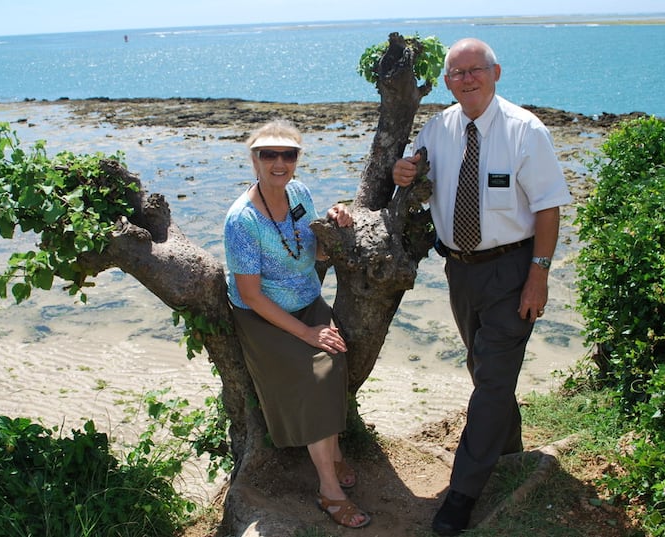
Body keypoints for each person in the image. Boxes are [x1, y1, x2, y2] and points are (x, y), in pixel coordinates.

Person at [392, 38, 572, 535]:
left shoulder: (524, 130)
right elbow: (414, 171)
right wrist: (402, 170)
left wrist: (540, 274)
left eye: (476, 70)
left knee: (491, 379)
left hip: (513, 269)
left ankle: (463, 493)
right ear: (447, 82)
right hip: (460, 271)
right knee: (483, 369)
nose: (467, 79)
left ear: (496, 73)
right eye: (458, 73)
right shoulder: (439, 128)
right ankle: (509, 453)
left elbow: (549, 207)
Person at [223, 119, 370, 529]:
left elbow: (314, 249)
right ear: (253, 158)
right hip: (264, 316)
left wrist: (336, 219)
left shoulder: (300, 193)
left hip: (307, 301)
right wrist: (306, 333)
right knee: (313, 380)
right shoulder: (242, 220)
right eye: (268, 154)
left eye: (288, 154)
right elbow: (251, 294)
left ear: (296, 160)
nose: (278, 162)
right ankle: (329, 489)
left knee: (336, 360)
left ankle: (334, 453)